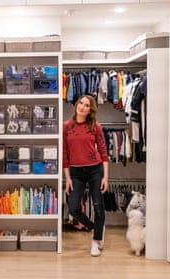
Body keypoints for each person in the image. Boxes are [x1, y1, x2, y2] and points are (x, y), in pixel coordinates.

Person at [62, 95, 109, 257]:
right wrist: (67, 178)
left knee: (98, 206)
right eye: (80, 103)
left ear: (90, 110)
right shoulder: (66, 127)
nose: (82, 106)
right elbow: (65, 155)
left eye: (86, 105)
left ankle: (96, 242)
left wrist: (105, 177)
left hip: (95, 170)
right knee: (73, 206)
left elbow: (103, 152)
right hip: (75, 172)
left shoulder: (95, 127)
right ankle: (94, 227)